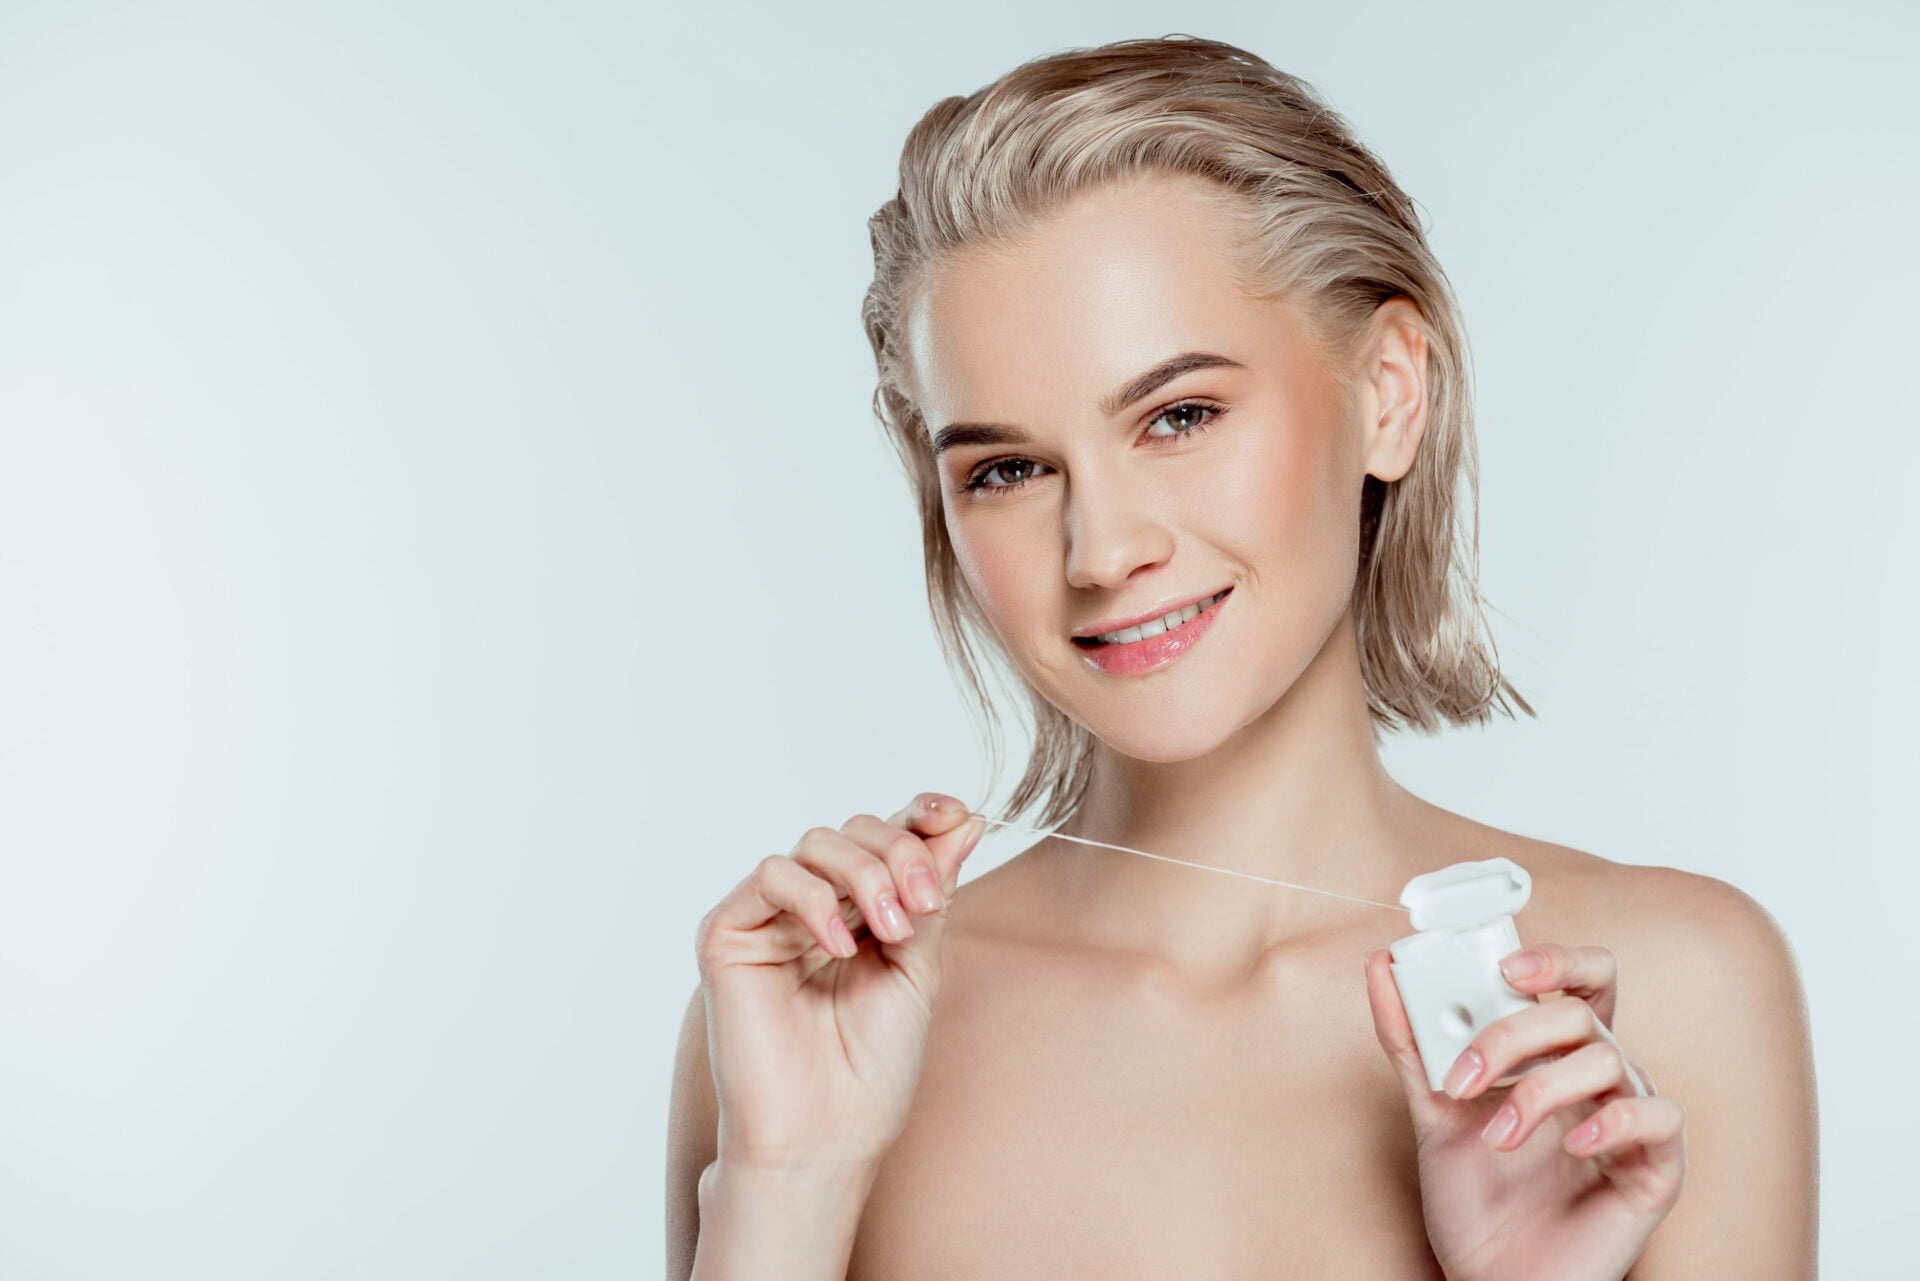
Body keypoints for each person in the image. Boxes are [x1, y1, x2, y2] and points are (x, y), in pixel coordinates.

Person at [667, 34, 1817, 1280]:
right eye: (1005, 470)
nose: (1101, 549)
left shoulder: (1677, 997)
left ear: (1387, 392)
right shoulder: (809, 1030)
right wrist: (788, 1191)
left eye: (1180, 416)